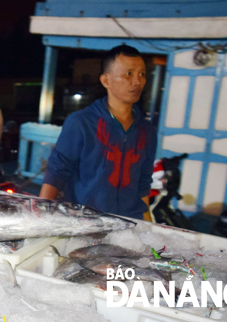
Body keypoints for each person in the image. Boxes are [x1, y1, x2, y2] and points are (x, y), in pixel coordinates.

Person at [39, 45, 156, 219]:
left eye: (142, 74)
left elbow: (143, 184)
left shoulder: (146, 131)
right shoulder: (81, 122)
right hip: (85, 221)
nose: (137, 81)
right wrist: (41, 218)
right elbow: (57, 171)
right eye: (128, 74)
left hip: (128, 224)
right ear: (106, 81)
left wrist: (148, 228)